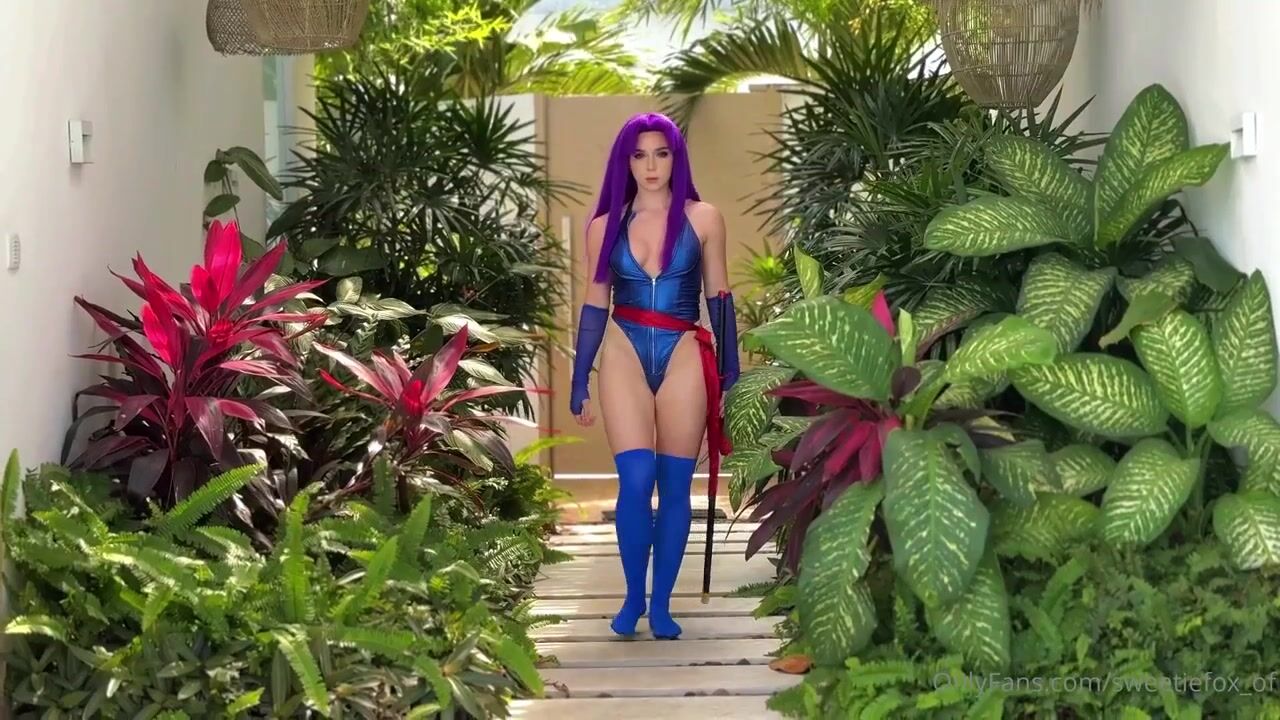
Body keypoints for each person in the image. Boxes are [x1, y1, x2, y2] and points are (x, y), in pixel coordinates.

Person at [568, 112, 739, 640]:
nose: (650, 165)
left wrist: (731, 377)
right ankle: (632, 597)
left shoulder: (704, 218)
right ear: (626, 162)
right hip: (623, 349)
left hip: (684, 350)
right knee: (637, 480)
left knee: (674, 485)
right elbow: (595, 304)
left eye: (661, 153)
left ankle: (661, 604)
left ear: (675, 158)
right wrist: (579, 377)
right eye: (639, 155)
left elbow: (720, 298)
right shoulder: (604, 226)